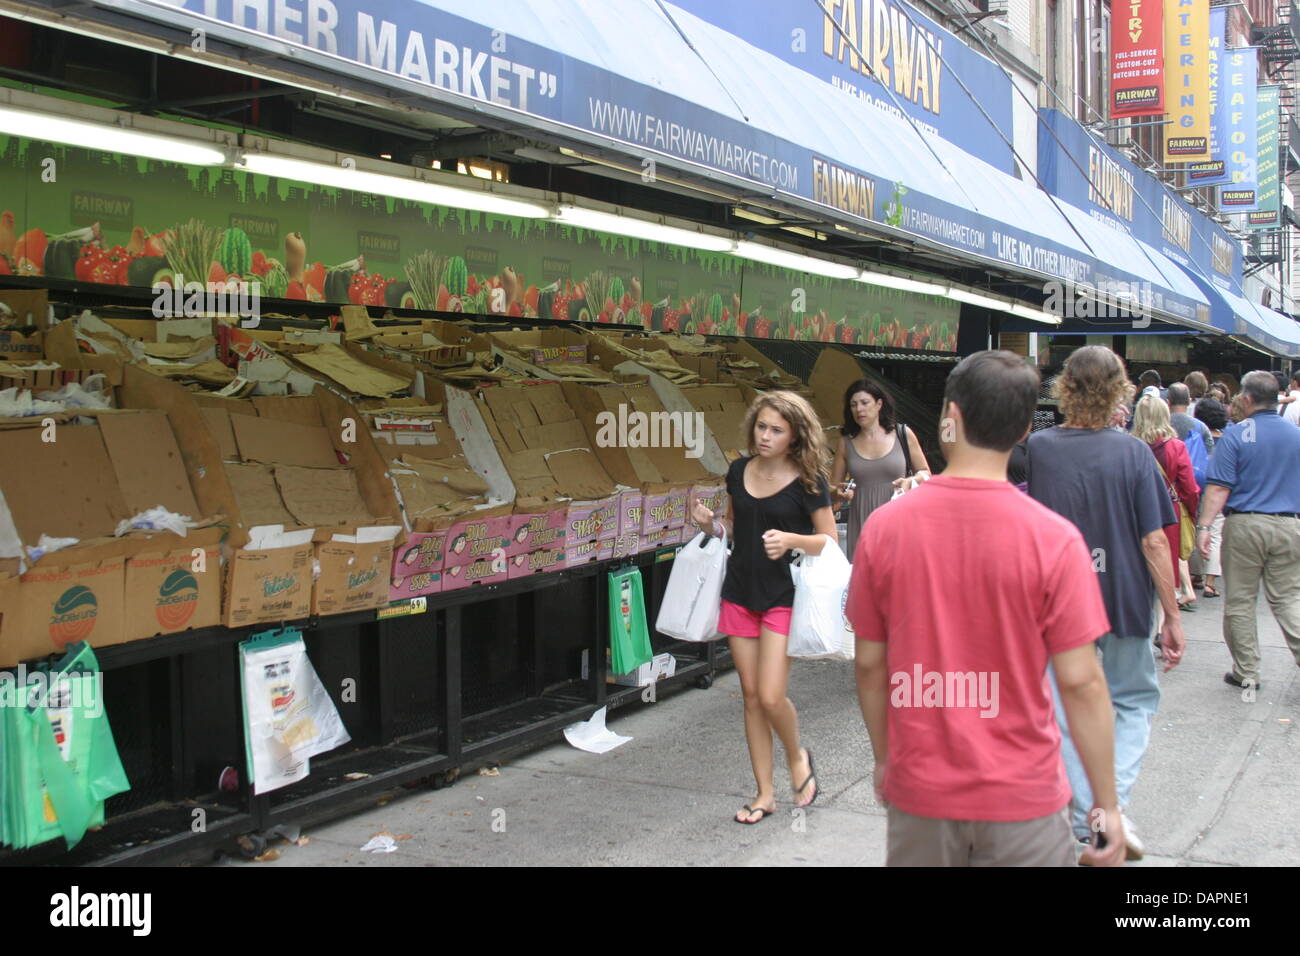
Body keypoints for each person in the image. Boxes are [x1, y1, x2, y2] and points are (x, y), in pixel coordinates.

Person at [848, 351, 1125, 867]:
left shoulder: (886, 529)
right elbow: (1082, 684)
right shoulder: (1057, 541)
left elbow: (869, 664)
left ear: (949, 416)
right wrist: (1106, 808)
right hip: (1025, 800)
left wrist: (886, 761)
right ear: (1024, 429)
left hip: (922, 795)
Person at [1026, 346, 1183, 861]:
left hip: (1057, 600)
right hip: (1122, 594)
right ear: (1122, 391)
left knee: (1065, 707)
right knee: (1132, 700)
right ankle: (1108, 805)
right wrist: (1173, 615)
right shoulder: (1134, 453)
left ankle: (1084, 813)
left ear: (1063, 387)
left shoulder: (1042, 448)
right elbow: (1154, 541)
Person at [690, 391, 835, 824]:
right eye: (761, 426)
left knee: (771, 695)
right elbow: (735, 527)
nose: (766, 436)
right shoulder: (738, 470)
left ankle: (797, 758)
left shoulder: (809, 480)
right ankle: (764, 794)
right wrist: (711, 526)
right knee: (751, 697)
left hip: (783, 596)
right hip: (739, 591)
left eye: (776, 430)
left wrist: (791, 540)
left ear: (794, 436)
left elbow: (828, 540)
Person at [1195, 370, 1300, 691]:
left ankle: (1247, 672)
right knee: (1288, 598)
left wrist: (1204, 526)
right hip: (1289, 524)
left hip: (1245, 525)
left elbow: (1218, 489)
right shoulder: (1295, 434)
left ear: (1248, 398)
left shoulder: (1238, 434)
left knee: (1241, 601)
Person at [830, 379, 930, 556]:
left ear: (879, 404)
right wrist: (839, 493)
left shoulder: (903, 434)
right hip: (862, 521)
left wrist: (911, 481)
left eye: (864, 402)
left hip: (898, 518)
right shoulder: (846, 443)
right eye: (853, 405)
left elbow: (926, 473)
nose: (859, 409)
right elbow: (832, 487)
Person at [1131, 395, 1199, 609]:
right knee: (1165, 569)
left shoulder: (1129, 446)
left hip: (1135, 512)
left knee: (1138, 568)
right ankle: (1162, 625)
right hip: (1169, 512)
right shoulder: (1176, 447)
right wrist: (1193, 512)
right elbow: (1189, 486)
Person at [1193, 398, 1229, 598]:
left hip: (1198, 486)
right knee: (1215, 533)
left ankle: (1195, 574)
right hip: (1219, 490)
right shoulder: (1227, 440)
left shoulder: (1196, 438)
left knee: (1198, 527)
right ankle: (1210, 581)